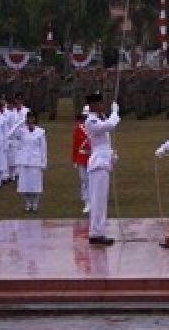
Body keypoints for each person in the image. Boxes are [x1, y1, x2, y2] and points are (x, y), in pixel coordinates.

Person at [83, 92, 120, 245]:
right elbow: (110, 126)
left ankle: (98, 231)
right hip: (98, 164)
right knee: (97, 200)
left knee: (101, 200)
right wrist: (115, 113)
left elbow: (105, 144)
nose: (102, 105)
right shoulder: (91, 121)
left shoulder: (99, 118)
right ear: (93, 105)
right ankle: (96, 233)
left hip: (103, 162)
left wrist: (111, 156)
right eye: (99, 103)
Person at [14, 111, 48, 213]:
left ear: (35, 119)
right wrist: (19, 123)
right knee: (25, 185)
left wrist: (44, 161)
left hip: (35, 161)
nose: (30, 120)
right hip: (24, 161)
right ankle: (28, 204)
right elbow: (9, 135)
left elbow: (43, 148)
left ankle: (35, 204)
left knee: (35, 185)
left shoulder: (40, 131)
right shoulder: (21, 130)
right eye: (28, 118)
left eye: (32, 118)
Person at [72, 110, 91, 214]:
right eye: (84, 117)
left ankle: (94, 201)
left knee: (92, 180)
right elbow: (75, 146)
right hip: (81, 157)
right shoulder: (78, 129)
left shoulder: (94, 127)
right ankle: (87, 202)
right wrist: (74, 160)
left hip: (93, 157)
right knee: (84, 180)